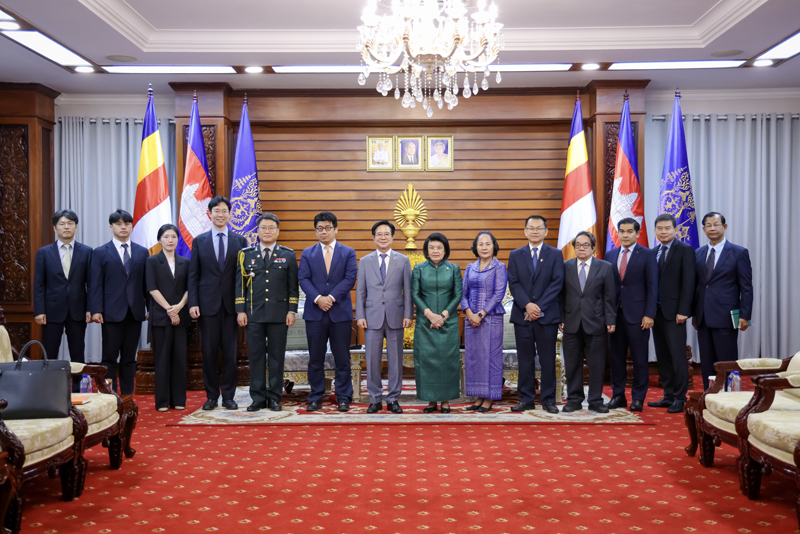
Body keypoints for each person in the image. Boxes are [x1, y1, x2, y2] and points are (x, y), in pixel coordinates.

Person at [188, 196, 248, 411]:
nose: (220, 215)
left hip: (232, 307)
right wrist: (193, 302)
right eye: (216, 211)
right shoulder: (199, 241)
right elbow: (194, 275)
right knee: (209, 353)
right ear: (210, 214)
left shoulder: (240, 241)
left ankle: (229, 396)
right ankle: (212, 396)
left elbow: (243, 277)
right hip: (207, 306)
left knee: (231, 355)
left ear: (229, 214)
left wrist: (242, 307)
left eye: (224, 211)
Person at [236, 214, 299, 412]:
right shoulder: (246, 255)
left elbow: (292, 287)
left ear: (278, 231)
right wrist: (240, 310)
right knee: (255, 357)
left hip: (279, 314)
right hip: (253, 314)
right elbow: (240, 286)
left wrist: (291, 310)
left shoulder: (288, 255)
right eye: (263, 227)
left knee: (276, 357)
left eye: (271, 228)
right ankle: (257, 397)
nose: (267, 231)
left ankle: (274, 397)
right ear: (258, 231)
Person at [298, 211, 357, 412]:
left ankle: (343, 396)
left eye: (327, 228)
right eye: (320, 228)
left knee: (342, 358)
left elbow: (350, 278)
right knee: (316, 358)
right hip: (315, 313)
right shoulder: (308, 253)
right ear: (316, 231)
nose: (324, 232)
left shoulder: (348, 252)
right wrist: (318, 299)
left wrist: (330, 298)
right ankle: (315, 396)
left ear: (336, 229)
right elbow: (303, 278)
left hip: (340, 313)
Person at [507, 216, 564, 414]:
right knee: (525, 359)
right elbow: (514, 283)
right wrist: (527, 305)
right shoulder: (515, 255)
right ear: (525, 231)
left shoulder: (555, 254)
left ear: (546, 231)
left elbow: (557, 283)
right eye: (531, 228)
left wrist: (537, 307)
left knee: (548, 359)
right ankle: (526, 399)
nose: (535, 231)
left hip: (547, 316)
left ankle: (548, 400)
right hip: (522, 316)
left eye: (539, 228)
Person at [88, 209, 148, 394]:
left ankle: (128, 397)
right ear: (111, 227)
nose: (123, 227)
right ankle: (109, 395)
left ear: (131, 227)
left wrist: (150, 308)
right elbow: (95, 283)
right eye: (119, 224)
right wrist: (96, 309)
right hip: (110, 313)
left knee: (129, 358)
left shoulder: (142, 252)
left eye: (127, 224)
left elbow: (146, 284)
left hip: (134, 312)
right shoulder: (100, 252)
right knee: (109, 357)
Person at [355, 220, 412, 414]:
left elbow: (408, 290)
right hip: (372, 316)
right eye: (379, 234)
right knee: (372, 360)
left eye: (386, 234)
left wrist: (408, 314)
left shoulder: (402, 260)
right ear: (373, 238)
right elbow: (360, 291)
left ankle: (393, 399)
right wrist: (360, 315)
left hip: (396, 315)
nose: (383, 237)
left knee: (395, 360)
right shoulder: (365, 261)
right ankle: (375, 399)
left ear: (392, 237)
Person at [692, 212, 753, 390]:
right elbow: (697, 286)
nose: (712, 228)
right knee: (707, 361)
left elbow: (746, 287)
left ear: (724, 227)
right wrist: (694, 313)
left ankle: (729, 396)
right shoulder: (698, 253)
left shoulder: (738, 252)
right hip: (703, 316)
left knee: (727, 360)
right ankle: (710, 394)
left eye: (716, 224)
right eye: (708, 225)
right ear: (703, 229)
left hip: (726, 316)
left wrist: (745, 316)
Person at [34, 209, 92, 392]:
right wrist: (39, 310)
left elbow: (92, 284)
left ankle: (77, 390)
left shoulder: (87, 252)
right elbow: (39, 284)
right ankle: (47, 389)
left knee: (78, 352)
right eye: (62, 223)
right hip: (51, 311)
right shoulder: (44, 252)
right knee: (49, 352)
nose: (66, 227)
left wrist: (90, 309)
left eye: (70, 223)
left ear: (76, 227)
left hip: (78, 310)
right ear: (55, 228)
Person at [605, 218, 658, 412]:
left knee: (639, 358)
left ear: (637, 233)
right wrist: (608, 315)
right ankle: (618, 395)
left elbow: (652, 286)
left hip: (639, 316)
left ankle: (638, 398)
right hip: (615, 316)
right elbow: (608, 287)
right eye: (622, 231)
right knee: (616, 358)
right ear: (618, 233)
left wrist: (649, 314)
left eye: (629, 231)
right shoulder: (610, 255)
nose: (625, 235)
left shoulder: (647, 254)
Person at [559, 232, 616, 413]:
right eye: (578, 245)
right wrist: (560, 318)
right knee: (572, 364)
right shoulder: (565, 266)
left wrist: (610, 319)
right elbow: (560, 295)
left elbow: (610, 297)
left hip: (597, 322)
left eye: (585, 245)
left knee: (597, 364)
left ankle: (595, 400)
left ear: (593, 248)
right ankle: (574, 399)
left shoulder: (605, 267)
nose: (581, 248)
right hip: (571, 322)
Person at [647, 214, 696, 413]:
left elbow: (689, 283)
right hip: (656, 313)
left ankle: (679, 397)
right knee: (663, 355)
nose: (663, 231)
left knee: (677, 356)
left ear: (675, 230)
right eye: (660, 228)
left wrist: (684, 310)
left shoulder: (685, 250)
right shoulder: (653, 252)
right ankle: (668, 395)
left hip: (675, 313)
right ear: (655, 231)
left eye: (667, 228)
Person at [411, 233, 462, 413]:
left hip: (448, 323)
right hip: (425, 324)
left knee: (447, 362)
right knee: (426, 362)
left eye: (439, 247)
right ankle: (431, 400)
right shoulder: (419, 269)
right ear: (426, 250)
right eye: (431, 247)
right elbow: (415, 294)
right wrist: (431, 315)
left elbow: (458, 294)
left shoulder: (454, 268)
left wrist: (443, 316)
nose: (435, 251)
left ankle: (446, 400)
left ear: (445, 250)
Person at [461, 231, 507, 413]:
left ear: (494, 246)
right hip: (471, 319)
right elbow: (463, 294)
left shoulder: (499, 267)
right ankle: (479, 396)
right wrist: (469, 313)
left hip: (491, 318)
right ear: (475, 247)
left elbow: (499, 294)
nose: (484, 247)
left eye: (488, 244)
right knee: (474, 359)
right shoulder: (470, 267)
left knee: (491, 358)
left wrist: (480, 314)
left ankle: (489, 397)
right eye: (481, 244)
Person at [146, 224, 190, 412]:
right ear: (159, 240)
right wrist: (169, 310)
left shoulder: (185, 262)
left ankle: (179, 399)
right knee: (162, 359)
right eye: (166, 236)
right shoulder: (152, 261)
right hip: (161, 316)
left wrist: (178, 307)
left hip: (181, 316)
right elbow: (152, 288)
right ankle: (162, 401)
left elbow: (190, 288)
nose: (170, 240)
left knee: (180, 359)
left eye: (173, 236)